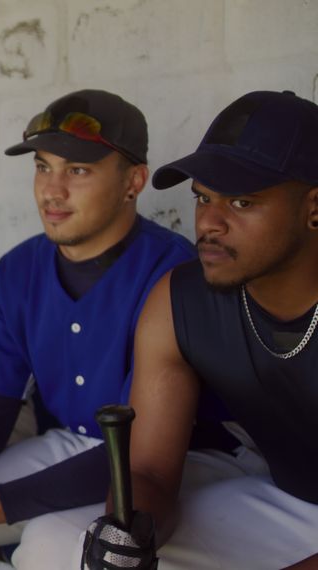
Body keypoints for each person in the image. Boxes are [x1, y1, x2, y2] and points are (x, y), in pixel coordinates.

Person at [0, 89, 199, 569]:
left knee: (45, 545)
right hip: (70, 443)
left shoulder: (173, 272)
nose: (52, 190)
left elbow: (142, 451)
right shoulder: (17, 269)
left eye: (78, 170)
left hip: (176, 463)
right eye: (43, 166)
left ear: (134, 181)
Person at [79, 90, 318, 570]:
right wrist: (127, 531)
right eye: (202, 197)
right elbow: (148, 470)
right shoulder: (177, 300)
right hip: (289, 502)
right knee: (56, 544)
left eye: (242, 201)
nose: (208, 222)